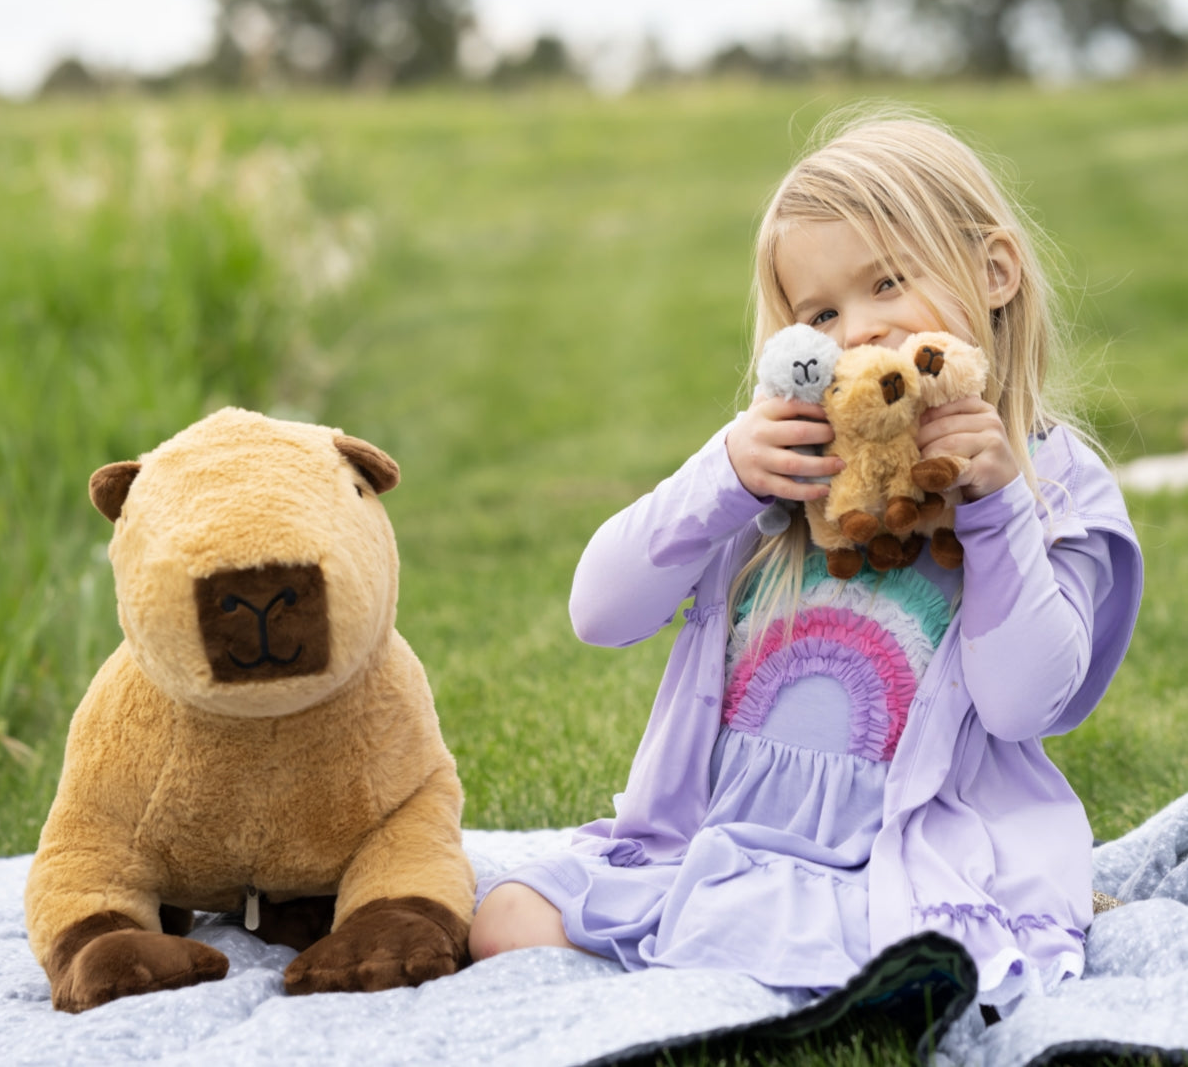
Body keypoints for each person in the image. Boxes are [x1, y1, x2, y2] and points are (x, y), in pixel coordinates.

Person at [468, 105, 1143, 1012]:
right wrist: (724, 477)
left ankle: (809, 987)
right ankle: (756, 985)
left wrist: (993, 507)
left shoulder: (1055, 487)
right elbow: (599, 613)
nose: (857, 332)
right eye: (820, 311)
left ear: (994, 271)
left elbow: (1026, 702)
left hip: (903, 861)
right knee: (506, 915)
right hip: (727, 840)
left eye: (888, 282)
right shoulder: (779, 474)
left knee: (919, 951)